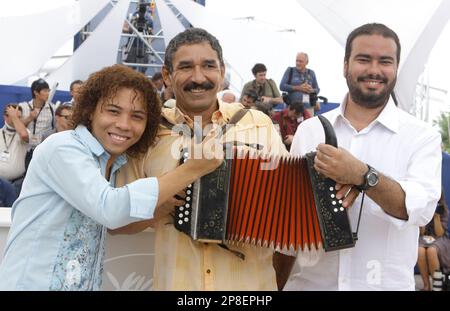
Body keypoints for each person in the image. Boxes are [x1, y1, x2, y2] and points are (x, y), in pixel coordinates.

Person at [0, 64, 222, 290]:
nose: (124, 125)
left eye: (137, 116)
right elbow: (110, 209)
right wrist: (192, 169)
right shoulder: (63, 147)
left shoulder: (112, 163)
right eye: (113, 111)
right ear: (90, 110)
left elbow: (115, 225)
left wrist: (164, 208)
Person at [113, 28, 288, 291]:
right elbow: (117, 221)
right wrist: (160, 208)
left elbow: (291, 204)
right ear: (167, 76)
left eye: (208, 66)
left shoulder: (258, 125)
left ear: (221, 71)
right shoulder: (148, 132)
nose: (198, 77)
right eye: (185, 67)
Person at [282, 23, 442, 291]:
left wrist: (362, 175)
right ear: (345, 65)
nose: (374, 70)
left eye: (385, 61)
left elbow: (419, 211)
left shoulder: (422, 137)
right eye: (363, 59)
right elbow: (286, 225)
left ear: (396, 68)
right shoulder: (308, 130)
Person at [19, 78, 55, 169]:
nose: (48, 93)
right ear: (36, 92)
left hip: (44, 150)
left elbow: (55, 128)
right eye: (45, 90)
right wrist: (29, 118)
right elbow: (17, 127)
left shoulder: (52, 108)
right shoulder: (23, 107)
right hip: (27, 150)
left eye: (48, 90)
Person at [417, 190, 450, 290]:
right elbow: (422, 233)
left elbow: (439, 233)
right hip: (425, 237)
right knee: (419, 250)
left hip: (440, 238)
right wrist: (423, 215)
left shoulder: (444, 210)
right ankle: (426, 285)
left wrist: (436, 216)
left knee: (431, 251)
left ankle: (437, 286)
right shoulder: (423, 208)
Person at [0, 104, 30, 205]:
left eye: (19, 117)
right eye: (12, 116)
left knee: (12, 216)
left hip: (16, 184)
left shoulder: (26, 132)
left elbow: (24, 135)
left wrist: (14, 117)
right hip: (0, 183)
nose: (16, 119)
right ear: (5, 117)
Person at [280, 52, 320, 116]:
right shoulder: (290, 70)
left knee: (309, 126)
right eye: (297, 61)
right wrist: (299, 88)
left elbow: (317, 89)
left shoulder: (311, 73)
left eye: (300, 61)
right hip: (292, 109)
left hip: (307, 109)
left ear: (306, 62)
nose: (298, 63)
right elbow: (282, 86)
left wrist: (311, 90)